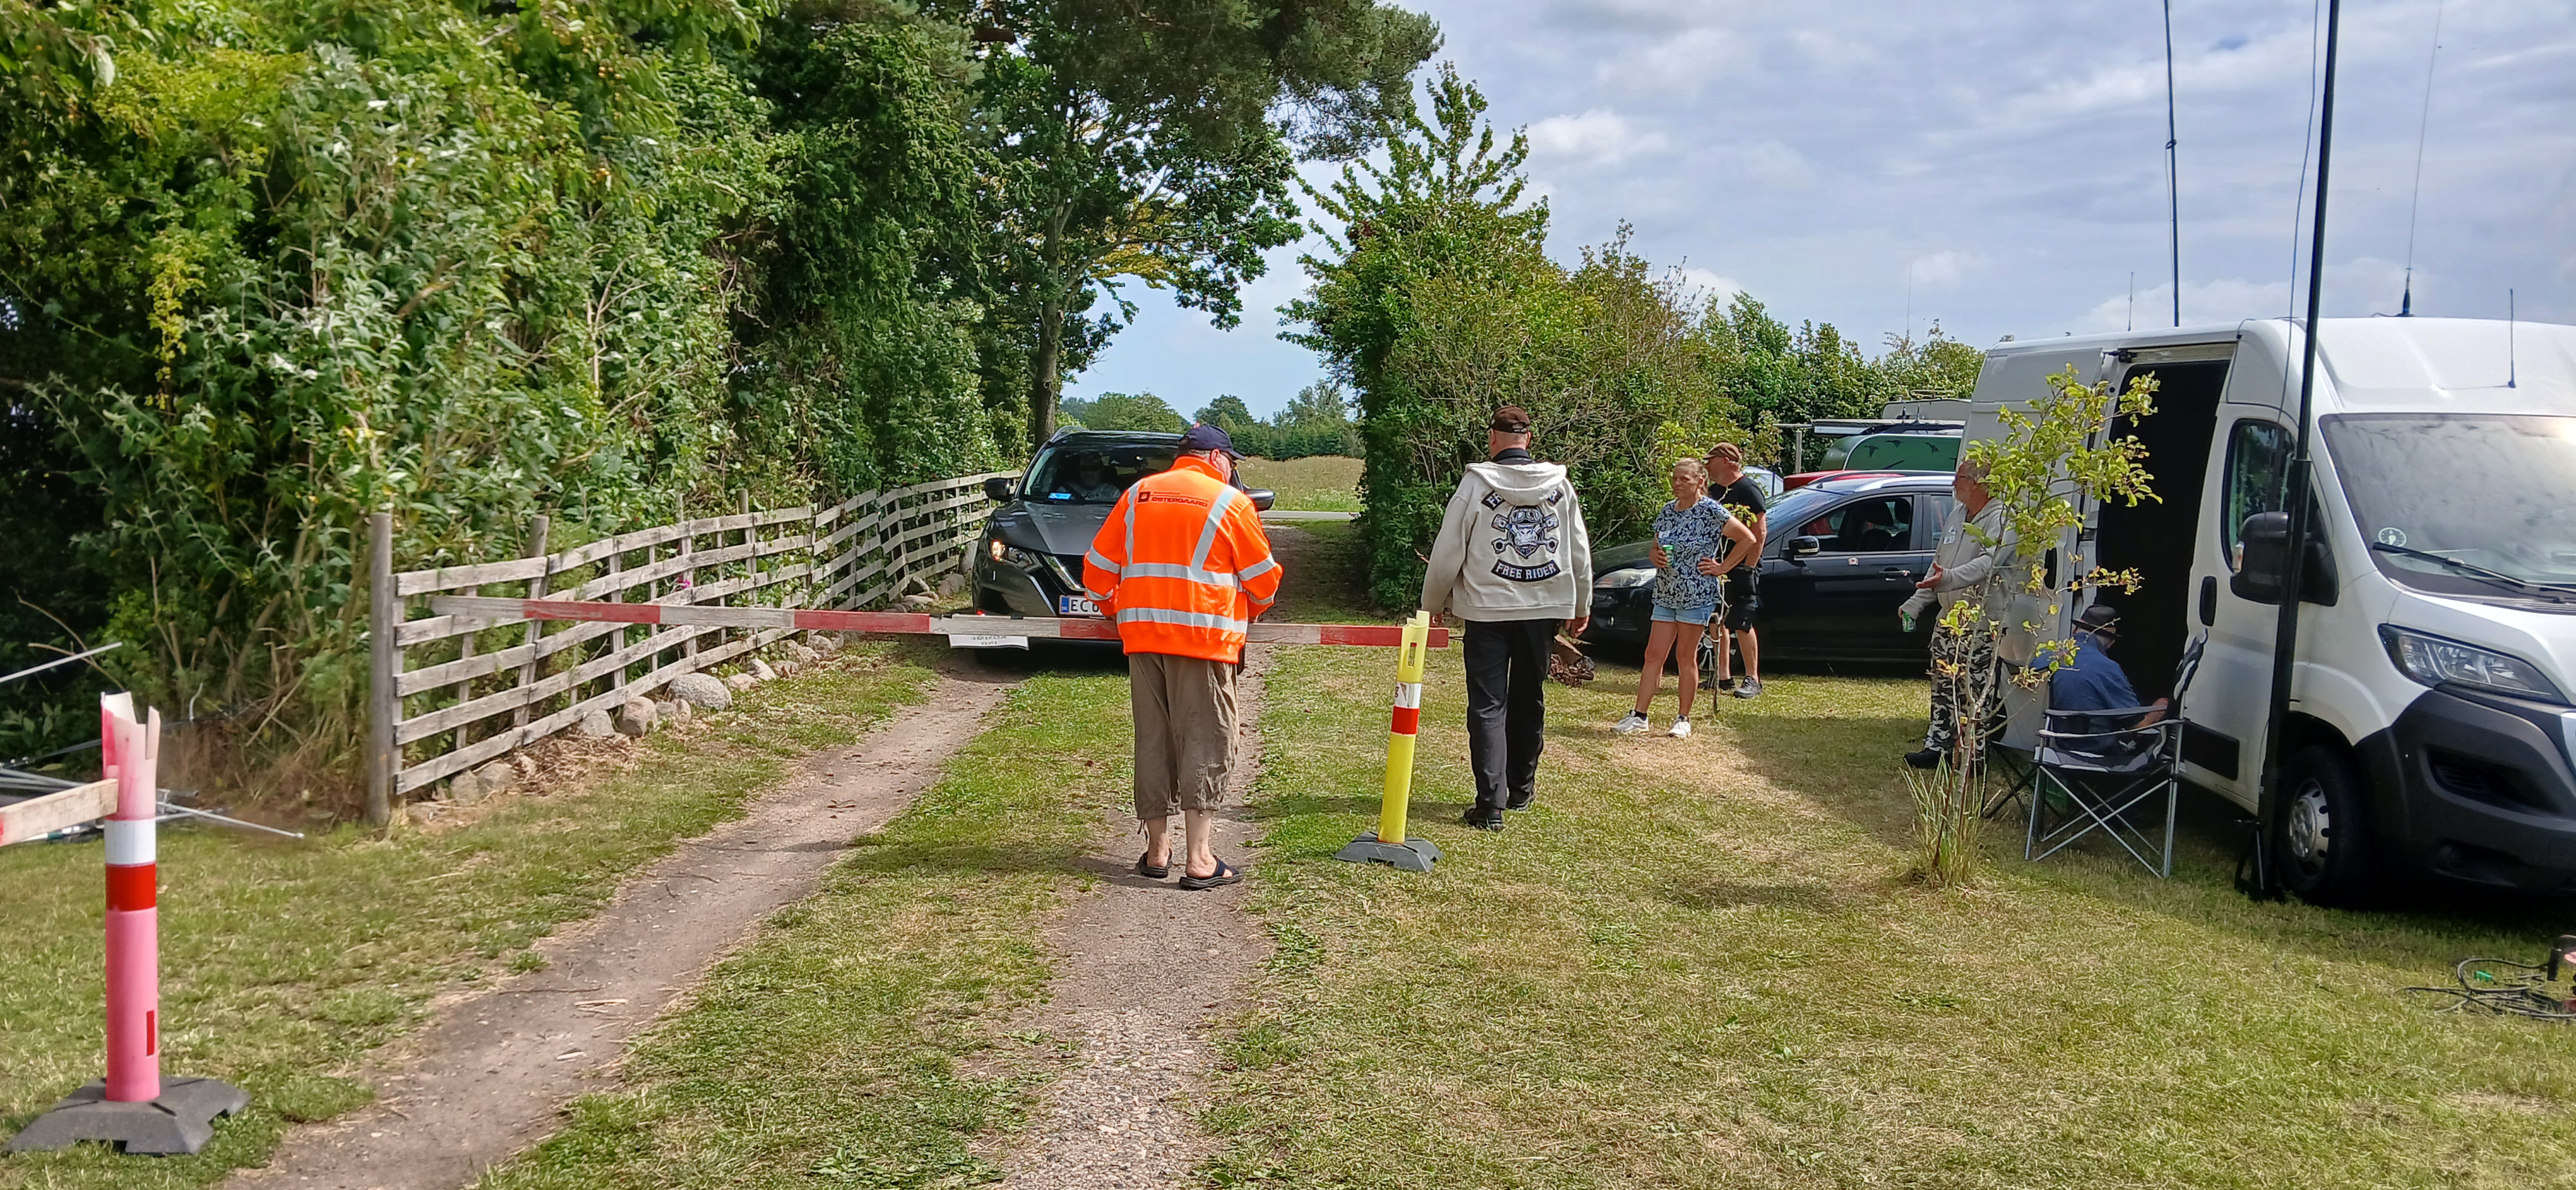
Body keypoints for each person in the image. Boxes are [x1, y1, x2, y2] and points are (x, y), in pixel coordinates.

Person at [1082, 423, 1282, 889]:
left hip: (1143, 640)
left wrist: (1118, 610)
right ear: (1214, 458)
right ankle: (1200, 859)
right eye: (1230, 461)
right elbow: (1264, 582)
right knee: (1205, 741)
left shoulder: (1138, 496)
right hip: (1204, 641)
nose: (1231, 470)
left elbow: (1096, 574)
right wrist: (1247, 611)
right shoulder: (1231, 503)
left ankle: (1157, 850)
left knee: (1153, 740)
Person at [1420, 406, 1594, 831]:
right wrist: (1581, 603)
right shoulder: (1559, 486)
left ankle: (1490, 803)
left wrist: (1432, 603)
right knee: (1528, 697)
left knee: (1487, 703)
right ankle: (1521, 789)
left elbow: (1448, 549)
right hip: (1542, 607)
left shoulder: (1476, 484)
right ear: (1528, 439)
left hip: (1487, 609)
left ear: (1492, 438)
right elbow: (1577, 547)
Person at [1614, 459, 1756, 739]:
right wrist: (1655, 557)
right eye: (1675, 479)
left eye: (1684, 479)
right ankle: (1639, 715)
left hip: (1696, 594)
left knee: (1685, 655)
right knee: (1653, 654)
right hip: (1666, 592)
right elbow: (1656, 547)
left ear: (1700, 481)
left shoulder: (1710, 510)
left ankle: (1683, 718)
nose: (1677, 484)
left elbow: (1748, 538)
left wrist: (1722, 567)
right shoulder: (1668, 510)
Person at [1899, 458, 2012, 769]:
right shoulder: (1957, 515)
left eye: (1959, 478)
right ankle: (1937, 747)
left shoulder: (2002, 518)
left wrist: (1948, 578)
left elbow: (1988, 564)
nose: (1953, 483)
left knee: (1974, 692)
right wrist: (1916, 602)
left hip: (1981, 623)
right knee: (1943, 686)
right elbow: (1939, 565)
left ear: (1978, 483)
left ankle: (1973, 756)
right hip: (1948, 620)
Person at [1703, 443, 1770, 698]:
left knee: (1742, 621)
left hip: (1741, 566)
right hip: (1716, 566)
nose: (1707, 465)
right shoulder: (1714, 492)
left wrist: (1748, 567)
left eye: (1711, 460)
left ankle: (1753, 679)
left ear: (1727, 461)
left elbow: (1759, 532)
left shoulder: (1748, 490)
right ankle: (1723, 677)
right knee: (1717, 619)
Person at [2050, 604, 2169, 740]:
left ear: (2075, 630)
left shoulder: (2050, 657)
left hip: (2056, 742)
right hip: (2096, 747)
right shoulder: (2108, 668)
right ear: (2111, 642)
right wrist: (2157, 711)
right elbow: (2137, 727)